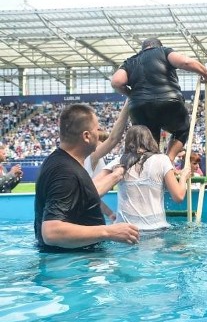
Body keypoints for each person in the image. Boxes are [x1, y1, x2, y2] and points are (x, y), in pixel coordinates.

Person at [34, 104, 140, 250]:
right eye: (97, 129)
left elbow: (83, 194)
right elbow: (51, 232)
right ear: (86, 136)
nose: (99, 133)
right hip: (72, 264)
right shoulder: (65, 172)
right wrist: (108, 231)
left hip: (75, 259)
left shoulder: (60, 162)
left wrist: (116, 175)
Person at [111, 37, 207, 162]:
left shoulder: (130, 61)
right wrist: (205, 73)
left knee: (148, 141)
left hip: (140, 107)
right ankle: (169, 159)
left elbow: (116, 82)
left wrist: (130, 93)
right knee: (183, 129)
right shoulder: (163, 51)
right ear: (158, 46)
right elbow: (185, 62)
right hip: (168, 102)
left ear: (143, 49)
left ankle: (151, 165)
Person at [98, 125, 192, 231]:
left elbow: (91, 189)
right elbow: (178, 197)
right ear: (150, 140)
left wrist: (109, 213)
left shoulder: (118, 162)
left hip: (125, 230)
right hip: (156, 229)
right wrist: (183, 176)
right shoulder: (162, 160)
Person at [83, 99, 130, 221]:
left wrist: (109, 213)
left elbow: (92, 198)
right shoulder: (92, 156)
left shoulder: (95, 159)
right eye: (100, 141)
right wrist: (128, 103)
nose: (102, 144)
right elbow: (113, 139)